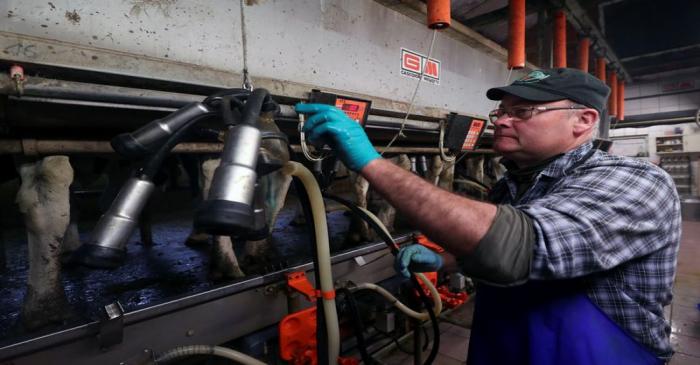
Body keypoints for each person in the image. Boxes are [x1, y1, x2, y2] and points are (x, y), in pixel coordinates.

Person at [296, 68, 680, 365]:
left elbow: (520, 248)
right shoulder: (512, 185)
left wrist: (371, 163)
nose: (502, 120)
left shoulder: (635, 180)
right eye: (501, 111)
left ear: (583, 121)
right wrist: (450, 259)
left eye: (522, 112)